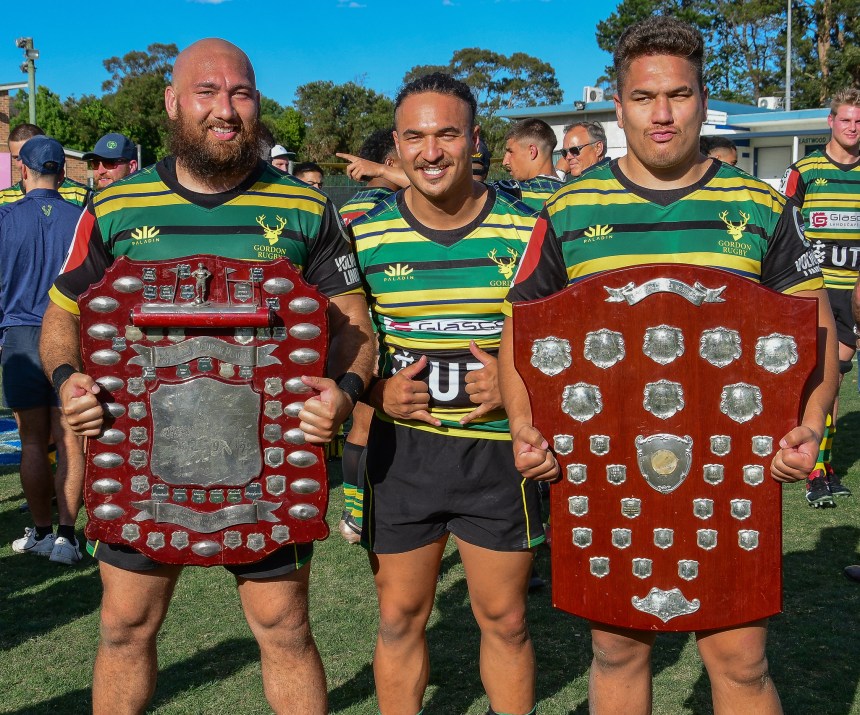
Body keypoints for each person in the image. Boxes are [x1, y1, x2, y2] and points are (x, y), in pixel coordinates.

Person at [499, 16, 837, 715]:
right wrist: (524, 428)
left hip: (731, 464)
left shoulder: (759, 204)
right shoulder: (568, 208)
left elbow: (818, 331)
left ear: (702, 101)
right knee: (617, 653)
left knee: (741, 662)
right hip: (606, 466)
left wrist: (809, 422)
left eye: (679, 95)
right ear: (617, 106)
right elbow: (520, 332)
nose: (662, 114)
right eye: (644, 97)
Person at [39, 38, 374, 715]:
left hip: (269, 463)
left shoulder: (306, 207)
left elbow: (354, 325)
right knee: (125, 627)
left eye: (240, 92)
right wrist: (69, 377)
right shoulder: (115, 206)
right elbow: (61, 314)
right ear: (172, 103)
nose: (226, 109)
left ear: (257, 102)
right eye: (207, 92)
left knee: (285, 629)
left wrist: (344, 392)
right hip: (139, 459)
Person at [351, 72, 543, 715]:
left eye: (447, 135)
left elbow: (567, 342)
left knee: (506, 620)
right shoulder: (363, 235)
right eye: (415, 137)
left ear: (475, 139)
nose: (430, 152)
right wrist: (376, 392)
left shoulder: (530, 229)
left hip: (497, 457)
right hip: (403, 457)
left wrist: (518, 385)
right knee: (399, 618)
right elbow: (344, 344)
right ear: (397, 145)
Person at [2, 136, 85, 565]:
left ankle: (41, 531)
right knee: (71, 440)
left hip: (20, 335)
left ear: (22, 171)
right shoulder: (82, 218)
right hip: (70, 333)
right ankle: (67, 537)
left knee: (32, 441)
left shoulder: (5, 217)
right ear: (64, 173)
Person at [781, 88, 860, 507]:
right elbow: (785, 226)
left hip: (856, 292)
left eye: (859, 121)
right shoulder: (806, 171)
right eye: (846, 119)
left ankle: (823, 467)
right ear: (831, 122)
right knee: (825, 380)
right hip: (819, 294)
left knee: (838, 382)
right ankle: (816, 471)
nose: (853, 128)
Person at [336, 127, 403, 543]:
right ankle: (364, 514)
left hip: (346, 326)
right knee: (371, 421)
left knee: (357, 422)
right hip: (380, 323)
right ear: (389, 163)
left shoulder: (345, 207)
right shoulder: (393, 206)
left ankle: (352, 512)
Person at [0, 124, 90, 206]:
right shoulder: (3, 199)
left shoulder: (81, 195)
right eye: (16, 157)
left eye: (29, 155)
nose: (22, 163)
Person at [497, 118, 564, 211]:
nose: (505, 162)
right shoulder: (574, 193)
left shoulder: (512, 193)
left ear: (532, 152)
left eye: (511, 152)